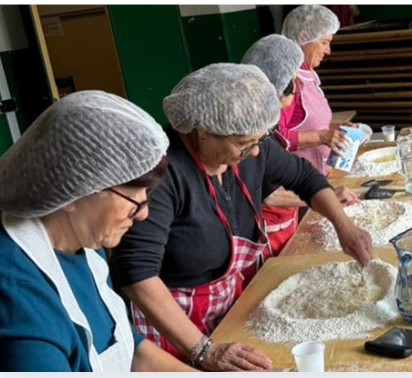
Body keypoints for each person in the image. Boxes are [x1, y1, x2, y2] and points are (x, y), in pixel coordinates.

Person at [110, 63, 373, 371]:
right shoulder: (164, 174)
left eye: (259, 140)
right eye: (244, 143)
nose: (257, 153)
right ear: (203, 132)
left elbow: (304, 176)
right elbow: (137, 273)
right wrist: (203, 350)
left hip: (228, 309)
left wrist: (344, 226)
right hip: (172, 327)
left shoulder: (251, 148)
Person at [0, 91, 195, 372]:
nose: (144, 214)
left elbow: (129, 349)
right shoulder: (19, 299)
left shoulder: (85, 244)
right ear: (71, 191)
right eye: (134, 201)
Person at [242, 34, 359, 256]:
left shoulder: (265, 127)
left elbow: (299, 175)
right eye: (294, 80)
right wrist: (330, 196)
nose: (297, 88)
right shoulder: (252, 132)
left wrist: (327, 198)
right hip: (266, 226)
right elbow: (270, 194)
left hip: (288, 215)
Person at [278, 5, 349, 176]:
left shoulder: (310, 75)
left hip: (321, 176)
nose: (328, 51)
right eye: (324, 42)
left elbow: (305, 123)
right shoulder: (289, 81)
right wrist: (321, 137)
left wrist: (336, 130)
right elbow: (277, 137)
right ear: (304, 37)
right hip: (297, 188)